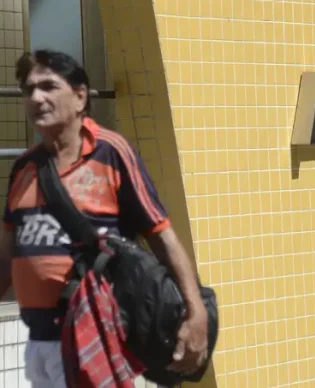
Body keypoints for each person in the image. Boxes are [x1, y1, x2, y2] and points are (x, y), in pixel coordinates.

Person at [0, 49, 208, 387]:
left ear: (80, 97)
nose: (36, 98)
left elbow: (161, 235)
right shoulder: (23, 167)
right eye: (28, 89)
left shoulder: (111, 152)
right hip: (39, 343)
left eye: (48, 86)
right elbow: (6, 255)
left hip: (92, 337)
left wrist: (195, 311)